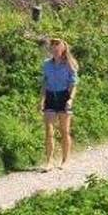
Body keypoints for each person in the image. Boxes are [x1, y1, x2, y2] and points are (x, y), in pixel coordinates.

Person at [40, 37, 78, 170]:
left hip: (64, 97)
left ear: (63, 48)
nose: (55, 47)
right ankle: (49, 161)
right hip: (50, 97)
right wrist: (42, 100)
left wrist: (70, 99)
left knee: (64, 131)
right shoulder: (47, 64)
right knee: (49, 131)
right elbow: (45, 83)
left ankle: (65, 160)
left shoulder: (69, 64)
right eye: (53, 45)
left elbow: (73, 84)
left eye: (57, 44)